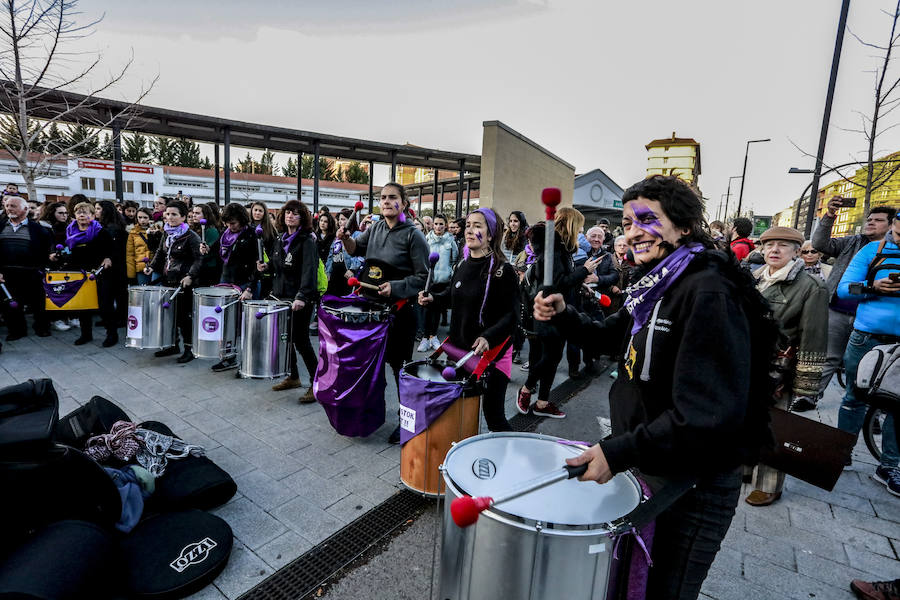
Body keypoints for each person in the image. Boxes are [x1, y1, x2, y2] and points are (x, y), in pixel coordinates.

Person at [533, 175, 765, 600]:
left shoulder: (708, 289)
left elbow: (706, 416)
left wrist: (617, 452)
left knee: (663, 592)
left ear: (684, 226)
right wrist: (564, 314)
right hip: (650, 464)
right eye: (626, 222)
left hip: (692, 487)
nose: (634, 231)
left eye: (647, 219)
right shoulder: (656, 283)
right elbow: (609, 337)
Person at [337, 182, 429, 443]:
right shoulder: (375, 227)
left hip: (399, 313)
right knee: (372, 366)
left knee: (400, 369)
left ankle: (407, 421)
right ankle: (371, 412)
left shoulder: (414, 235)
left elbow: (423, 277)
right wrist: (346, 239)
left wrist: (397, 287)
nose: (386, 201)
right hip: (372, 312)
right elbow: (357, 248)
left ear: (405, 203)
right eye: (383, 197)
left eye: (392, 197)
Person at [744, 227, 827, 505]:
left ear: (796, 251)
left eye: (783, 245)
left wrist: (804, 386)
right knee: (745, 419)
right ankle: (744, 467)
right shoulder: (753, 278)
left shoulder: (810, 287)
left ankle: (769, 484)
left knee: (774, 426)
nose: (774, 250)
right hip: (747, 365)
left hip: (779, 370)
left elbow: (813, 338)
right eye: (769, 245)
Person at [419, 208, 516, 432]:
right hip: (462, 350)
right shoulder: (462, 265)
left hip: (493, 353)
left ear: (490, 234)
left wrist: (488, 337)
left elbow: (511, 316)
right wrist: (433, 298)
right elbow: (454, 297)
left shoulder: (503, 271)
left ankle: (512, 457)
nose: (470, 231)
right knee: (460, 412)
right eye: (469, 225)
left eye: (478, 226)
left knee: (495, 419)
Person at [835, 210, 900, 493]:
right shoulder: (872, 250)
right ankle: (840, 452)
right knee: (854, 397)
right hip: (866, 337)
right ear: (895, 224)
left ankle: (890, 466)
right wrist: (873, 287)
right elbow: (844, 290)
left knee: (898, 407)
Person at [518, 207, 601, 416]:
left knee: (553, 358)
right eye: (580, 227)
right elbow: (555, 284)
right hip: (548, 312)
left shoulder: (560, 248)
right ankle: (527, 389)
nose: (581, 231)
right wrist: (584, 271)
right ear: (572, 225)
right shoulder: (554, 249)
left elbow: (562, 279)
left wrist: (580, 283)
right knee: (549, 357)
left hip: (559, 310)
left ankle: (542, 403)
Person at [812, 199, 896, 400]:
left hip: (871, 319)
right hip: (839, 311)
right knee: (829, 356)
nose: (870, 222)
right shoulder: (853, 242)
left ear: (892, 225)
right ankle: (811, 396)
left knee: (869, 365)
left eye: (878, 220)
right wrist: (830, 216)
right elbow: (819, 244)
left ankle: (863, 405)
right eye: (869, 219)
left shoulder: (894, 250)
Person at [259, 200, 319, 402]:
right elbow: (278, 266)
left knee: (301, 341)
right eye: (287, 212)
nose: (290, 216)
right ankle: (293, 377)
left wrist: (302, 296)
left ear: (303, 217)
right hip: (280, 297)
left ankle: (317, 383)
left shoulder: (307, 240)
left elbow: (309, 271)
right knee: (286, 339)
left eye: (295, 213)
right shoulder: (280, 239)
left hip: (300, 299)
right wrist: (266, 268)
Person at [50, 200, 116, 346]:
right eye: (78, 212)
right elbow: (62, 249)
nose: (81, 215)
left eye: (85, 212)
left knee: (105, 306)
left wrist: (108, 258)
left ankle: (111, 334)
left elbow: (112, 250)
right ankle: (86, 334)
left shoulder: (101, 232)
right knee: (83, 306)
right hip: (79, 273)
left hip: (99, 273)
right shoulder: (69, 232)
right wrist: (56, 254)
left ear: (92, 216)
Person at [143, 200, 202, 363]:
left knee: (184, 317)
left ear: (183, 217)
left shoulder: (191, 236)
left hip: (184, 282)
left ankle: (189, 349)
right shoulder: (167, 233)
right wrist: (152, 267)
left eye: (174, 214)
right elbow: (161, 255)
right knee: (170, 315)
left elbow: (199, 259)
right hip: (168, 279)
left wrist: (190, 276)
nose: (170, 217)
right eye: (167, 214)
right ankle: (172, 345)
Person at [202, 203, 258, 372]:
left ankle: (250, 361)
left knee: (245, 325)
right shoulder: (225, 233)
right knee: (226, 323)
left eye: (233, 223)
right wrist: (205, 249)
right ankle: (228, 357)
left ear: (241, 220)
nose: (229, 226)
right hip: (226, 281)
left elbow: (258, 263)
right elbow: (215, 251)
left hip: (244, 283)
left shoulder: (251, 234)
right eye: (227, 223)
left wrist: (250, 288)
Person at [0, 195, 52, 340]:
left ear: (25, 209)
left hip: (32, 273)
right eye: (8, 205)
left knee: (38, 303)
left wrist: (40, 269)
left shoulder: (38, 229)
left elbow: (45, 251)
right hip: (7, 273)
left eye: (13, 206)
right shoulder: (1, 225)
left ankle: (42, 328)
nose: (9, 209)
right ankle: (17, 331)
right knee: (10, 305)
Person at [419, 214, 459, 352]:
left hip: (443, 281)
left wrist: (450, 274)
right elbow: (422, 259)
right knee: (426, 310)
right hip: (429, 280)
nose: (438, 227)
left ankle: (433, 336)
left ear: (445, 225)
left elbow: (454, 261)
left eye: (441, 224)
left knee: (436, 309)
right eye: (436, 224)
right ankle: (424, 338)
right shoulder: (426, 239)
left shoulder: (451, 241)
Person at [95, 200, 129, 329]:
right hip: (112, 266)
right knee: (111, 294)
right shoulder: (104, 226)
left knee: (116, 294)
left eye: (98, 209)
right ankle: (110, 318)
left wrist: (108, 257)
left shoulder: (112, 228)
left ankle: (118, 319)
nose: (96, 211)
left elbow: (114, 249)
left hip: (115, 266)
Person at [191, 204, 221, 287]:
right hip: (197, 267)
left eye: (197, 213)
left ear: (205, 215)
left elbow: (212, 251)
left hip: (208, 269)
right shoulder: (195, 229)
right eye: (193, 213)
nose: (194, 215)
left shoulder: (211, 230)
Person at [126, 207, 154, 285]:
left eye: (145, 217)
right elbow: (130, 254)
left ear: (150, 218)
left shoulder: (156, 230)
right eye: (140, 217)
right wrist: (131, 275)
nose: (142, 220)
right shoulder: (133, 232)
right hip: (141, 268)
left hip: (154, 265)